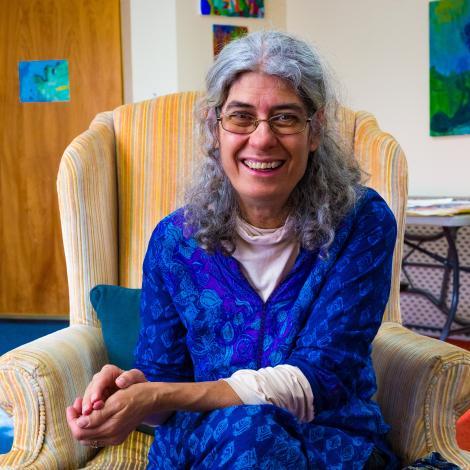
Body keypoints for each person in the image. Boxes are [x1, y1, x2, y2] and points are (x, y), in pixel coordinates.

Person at [67, 31, 399, 469]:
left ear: (314, 131)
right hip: (205, 444)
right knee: (242, 437)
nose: (262, 139)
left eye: (284, 118)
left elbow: (322, 377)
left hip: (329, 444)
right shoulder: (174, 241)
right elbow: (163, 384)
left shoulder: (361, 222)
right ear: (214, 128)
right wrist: (130, 391)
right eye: (241, 117)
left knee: (253, 435)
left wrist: (161, 394)